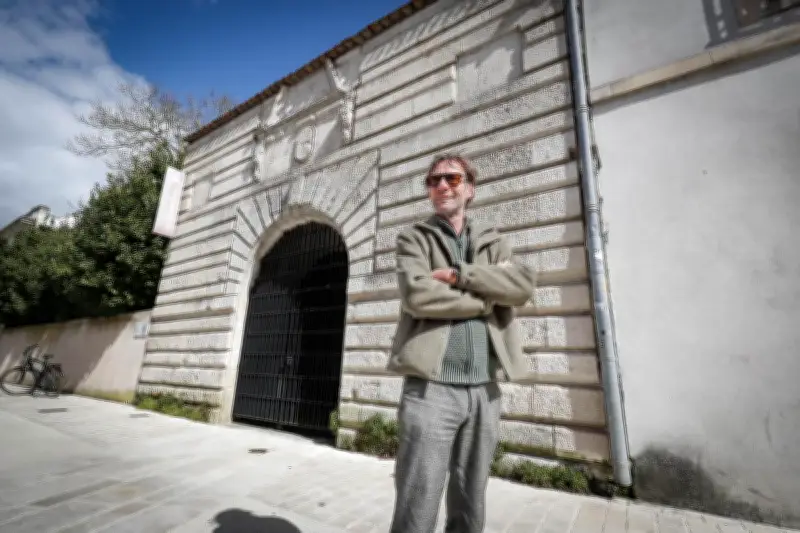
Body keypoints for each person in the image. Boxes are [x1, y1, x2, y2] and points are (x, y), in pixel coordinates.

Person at [387, 153, 537, 533]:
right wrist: (487, 295)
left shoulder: (493, 240)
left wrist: (458, 275)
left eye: (451, 179)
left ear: (470, 188)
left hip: (485, 390)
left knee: (472, 498)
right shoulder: (414, 238)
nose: (441, 186)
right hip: (432, 390)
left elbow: (521, 286)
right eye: (433, 180)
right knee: (418, 498)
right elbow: (418, 296)